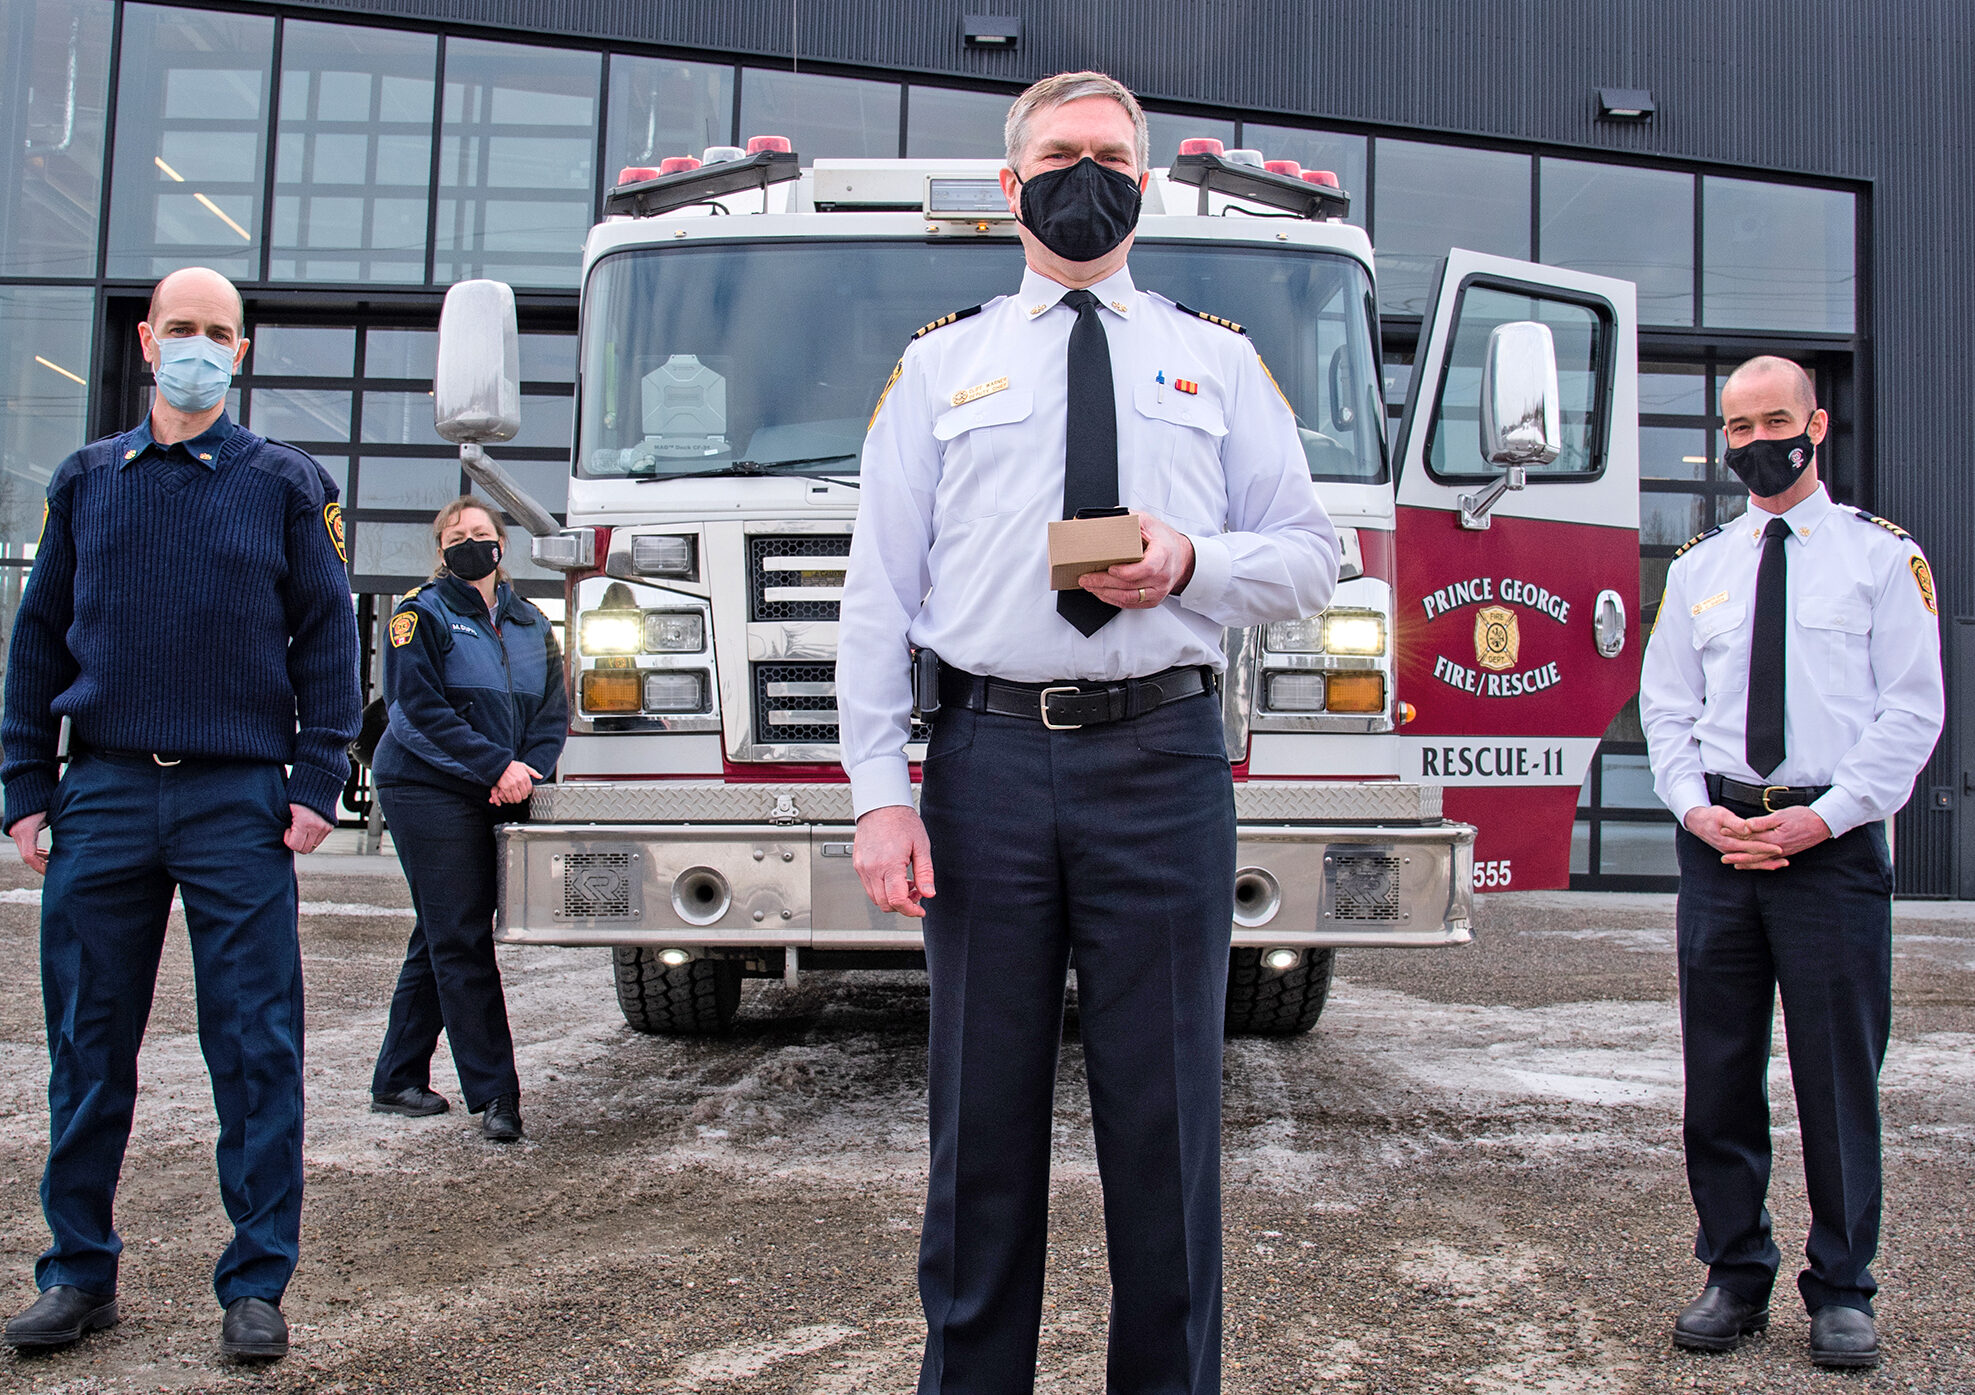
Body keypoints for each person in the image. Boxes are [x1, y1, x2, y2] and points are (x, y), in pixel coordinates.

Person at [837, 72, 1338, 1394]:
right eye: (1057, 154)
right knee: (979, 1125)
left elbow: (1309, 556)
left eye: (1108, 156)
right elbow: (877, 597)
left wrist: (1191, 560)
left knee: (1164, 1125)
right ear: (1011, 185)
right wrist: (879, 792)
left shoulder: (1215, 359)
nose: (1084, 174)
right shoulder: (941, 364)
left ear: (1142, 181)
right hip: (985, 765)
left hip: (1161, 766)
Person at [0, 267, 360, 1361]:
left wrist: (312, 784)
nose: (200, 345)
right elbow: (37, 642)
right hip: (103, 791)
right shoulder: (86, 482)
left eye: (221, 331)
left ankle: (255, 1284)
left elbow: (329, 644)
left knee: (254, 1045)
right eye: (181, 329)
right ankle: (77, 1273)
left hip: (235, 800)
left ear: (239, 353)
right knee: (87, 1042)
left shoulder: (288, 486)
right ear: (148, 344)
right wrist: (24, 784)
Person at [1639, 356, 1943, 1370]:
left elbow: (1911, 712)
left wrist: (1826, 819)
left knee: (1835, 1079)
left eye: (1774, 420)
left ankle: (1842, 1287)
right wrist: (1695, 813)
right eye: (1736, 427)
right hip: (1720, 849)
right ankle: (1732, 1273)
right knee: (1719, 1077)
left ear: (1815, 425)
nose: (1755, 441)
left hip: (1831, 853)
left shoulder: (1878, 559)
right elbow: (1667, 714)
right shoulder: (1698, 570)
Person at [367, 497, 566, 1144]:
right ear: (441, 549)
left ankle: (397, 1077)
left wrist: (528, 769)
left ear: (502, 544)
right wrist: (492, 766)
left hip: (497, 786)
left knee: (444, 927)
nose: (470, 542)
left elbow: (551, 715)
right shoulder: (419, 613)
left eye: (481, 533)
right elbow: (416, 710)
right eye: (457, 535)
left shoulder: (532, 623)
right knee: (463, 936)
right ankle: (496, 1094)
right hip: (425, 785)